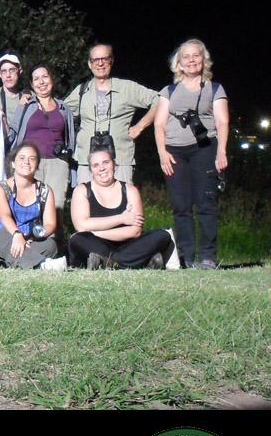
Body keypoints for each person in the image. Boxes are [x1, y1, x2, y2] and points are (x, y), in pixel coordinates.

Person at [153, 39, 228, 269]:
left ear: (204, 60)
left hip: (204, 150)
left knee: (205, 203)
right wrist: (162, 153)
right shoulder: (169, 91)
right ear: (179, 63)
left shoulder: (214, 88)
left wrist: (222, 151)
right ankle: (186, 257)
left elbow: (222, 122)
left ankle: (208, 256)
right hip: (174, 152)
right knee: (181, 205)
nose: (191, 60)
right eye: (186, 56)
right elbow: (159, 124)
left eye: (196, 55)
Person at [68, 141, 173, 269]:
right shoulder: (82, 190)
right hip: (95, 245)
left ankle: (110, 262)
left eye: (106, 162)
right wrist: (122, 218)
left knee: (162, 235)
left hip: (128, 245)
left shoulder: (130, 190)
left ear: (114, 164)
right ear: (91, 170)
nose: (101, 168)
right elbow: (82, 226)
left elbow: (135, 231)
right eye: (95, 165)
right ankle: (138, 262)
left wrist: (95, 232)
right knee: (77, 239)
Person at [64, 43, 159, 184]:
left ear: (111, 61)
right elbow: (60, 112)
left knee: (122, 197)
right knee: (85, 197)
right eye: (95, 60)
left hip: (119, 160)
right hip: (87, 161)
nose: (100, 63)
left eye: (104, 59)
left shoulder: (127, 88)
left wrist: (140, 126)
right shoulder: (81, 91)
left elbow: (159, 100)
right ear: (90, 64)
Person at [9, 63, 75, 230]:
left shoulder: (64, 108)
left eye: (45, 76)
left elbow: (70, 139)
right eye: (36, 79)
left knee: (56, 208)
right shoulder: (25, 105)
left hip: (57, 164)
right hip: (30, 163)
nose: (41, 82)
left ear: (52, 79)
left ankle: (54, 243)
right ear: (32, 84)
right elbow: (13, 133)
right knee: (29, 206)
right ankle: (26, 241)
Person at [0, 142, 66, 270]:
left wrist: (34, 237)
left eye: (32, 158)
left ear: (37, 164)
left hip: (31, 238)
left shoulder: (45, 190)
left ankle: (19, 259)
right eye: (22, 158)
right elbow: (4, 216)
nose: (27, 162)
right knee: (5, 239)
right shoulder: (2, 188)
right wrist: (17, 235)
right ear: (13, 163)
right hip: (6, 235)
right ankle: (42, 264)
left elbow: (50, 224)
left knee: (50, 245)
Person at [0, 53, 30, 127]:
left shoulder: (29, 96)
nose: (8, 75)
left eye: (12, 70)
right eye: (4, 71)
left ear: (20, 71)